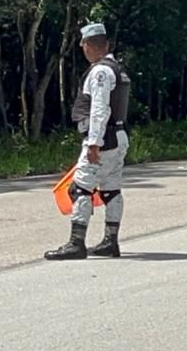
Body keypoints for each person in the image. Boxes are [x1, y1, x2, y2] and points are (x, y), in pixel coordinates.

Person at [44, 22, 132, 260]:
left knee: (80, 188)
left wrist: (94, 142)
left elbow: (100, 109)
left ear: (87, 45)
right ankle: (110, 242)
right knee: (111, 190)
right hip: (119, 136)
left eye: (83, 44)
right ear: (107, 44)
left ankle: (76, 243)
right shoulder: (117, 69)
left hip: (103, 139)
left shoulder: (100, 72)